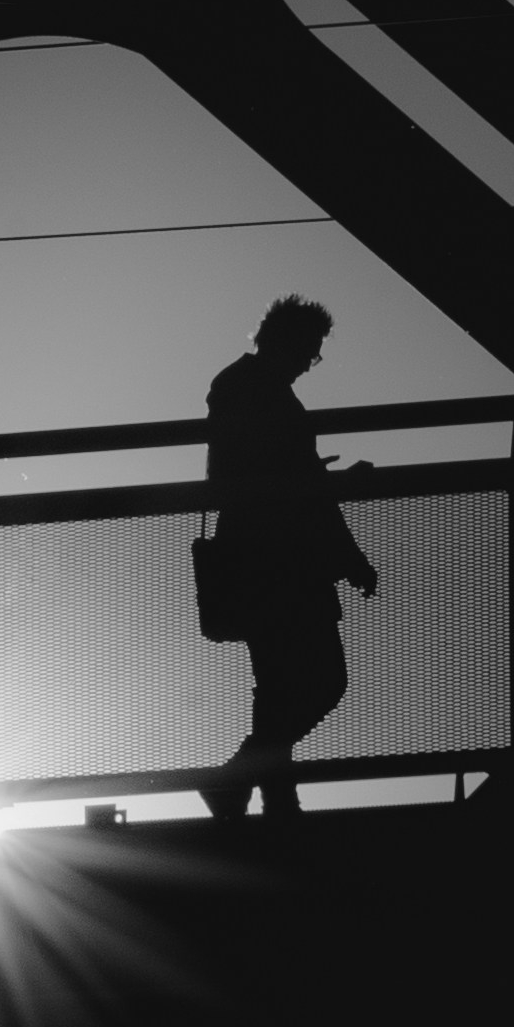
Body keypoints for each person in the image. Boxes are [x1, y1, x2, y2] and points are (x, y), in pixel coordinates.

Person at [197, 295, 380, 831]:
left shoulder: (238, 386)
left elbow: (275, 476)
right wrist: (347, 542)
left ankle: (267, 798)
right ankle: (245, 786)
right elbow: (294, 488)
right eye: (309, 350)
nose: (309, 362)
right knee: (323, 681)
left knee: (277, 686)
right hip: (281, 561)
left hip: (257, 555)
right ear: (285, 341)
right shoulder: (259, 393)